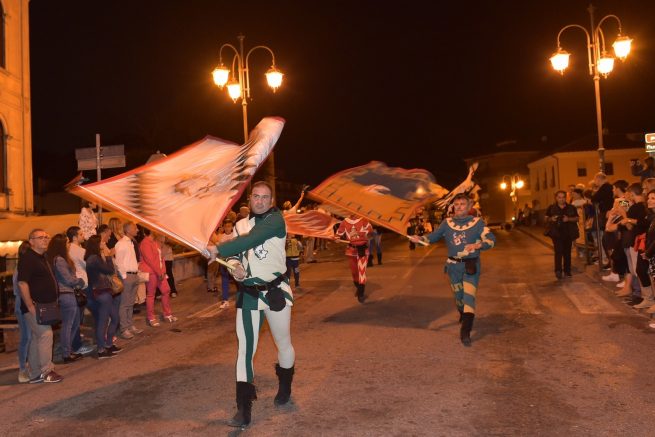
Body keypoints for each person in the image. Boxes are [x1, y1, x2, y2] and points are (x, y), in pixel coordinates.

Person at [216, 181, 295, 428]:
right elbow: (235, 254)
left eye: (265, 197)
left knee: (283, 342)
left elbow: (252, 240)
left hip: (275, 292)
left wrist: (216, 248)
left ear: (271, 201)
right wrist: (235, 267)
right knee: (245, 350)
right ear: (250, 199)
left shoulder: (276, 220)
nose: (260, 201)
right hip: (249, 294)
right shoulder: (240, 224)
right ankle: (243, 408)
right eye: (256, 196)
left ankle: (285, 386)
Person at [410, 193, 496, 346]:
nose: (459, 207)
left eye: (462, 204)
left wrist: (478, 245)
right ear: (453, 207)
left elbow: (491, 240)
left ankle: (465, 331)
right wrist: (419, 239)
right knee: (459, 298)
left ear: (469, 206)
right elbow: (433, 237)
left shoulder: (477, 223)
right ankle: (463, 313)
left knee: (469, 298)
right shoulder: (447, 223)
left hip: (470, 266)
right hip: (453, 267)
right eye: (456, 204)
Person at [17, 229, 63, 383]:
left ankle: (35, 373)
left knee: (38, 337)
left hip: (46, 306)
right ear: (31, 241)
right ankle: (46, 371)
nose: (45, 239)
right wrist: (30, 305)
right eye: (40, 237)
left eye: (46, 237)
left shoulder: (42, 257)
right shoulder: (28, 258)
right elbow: (22, 283)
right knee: (46, 334)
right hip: (35, 307)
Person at [47, 233, 86, 364]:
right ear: (61, 245)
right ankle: (66, 354)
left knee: (73, 324)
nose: (69, 244)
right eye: (67, 242)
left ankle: (68, 350)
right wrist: (80, 281)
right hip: (66, 294)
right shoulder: (59, 260)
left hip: (66, 294)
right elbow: (68, 279)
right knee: (69, 325)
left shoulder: (58, 259)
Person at [85, 235, 121, 359]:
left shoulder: (93, 258)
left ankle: (109, 345)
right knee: (103, 321)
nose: (103, 243)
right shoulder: (93, 258)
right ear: (96, 244)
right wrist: (109, 256)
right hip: (101, 293)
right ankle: (101, 349)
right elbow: (110, 270)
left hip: (104, 292)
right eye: (101, 242)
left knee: (115, 318)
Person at [139, 228, 176, 326]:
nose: (159, 231)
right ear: (152, 231)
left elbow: (161, 258)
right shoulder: (145, 243)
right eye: (156, 230)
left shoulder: (155, 242)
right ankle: (151, 318)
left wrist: (163, 271)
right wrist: (160, 272)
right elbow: (150, 260)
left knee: (166, 290)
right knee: (151, 294)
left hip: (159, 272)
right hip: (152, 272)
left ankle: (167, 314)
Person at [114, 221, 143, 339]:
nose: (137, 230)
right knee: (125, 304)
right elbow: (118, 262)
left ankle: (130, 325)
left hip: (134, 275)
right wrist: (124, 276)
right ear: (128, 230)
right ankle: (124, 328)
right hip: (127, 276)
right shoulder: (121, 244)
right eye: (135, 228)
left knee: (131, 303)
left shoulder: (131, 242)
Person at [336, 213, 372, 303]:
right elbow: (339, 232)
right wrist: (336, 238)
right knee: (354, 273)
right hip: (351, 251)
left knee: (361, 271)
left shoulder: (363, 219)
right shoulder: (345, 221)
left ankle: (361, 292)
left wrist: (360, 234)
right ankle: (358, 287)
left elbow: (369, 229)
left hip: (362, 249)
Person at [545, 191, 579, 279]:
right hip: (556, 233)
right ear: (556, 198)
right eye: (559, 197)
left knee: (567, 252)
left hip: (568, 232)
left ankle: (567, 271)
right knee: (558, 251)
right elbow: (546, 218)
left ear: (565, 198)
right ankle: (558, 271)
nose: (561, 199)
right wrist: (551, 219)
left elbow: (577, 218)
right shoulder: (551, 208)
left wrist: (569, 219)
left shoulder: (571, 207)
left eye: (563, 197)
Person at [13, 241, 32, 383]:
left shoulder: (22, 267)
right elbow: (19, 289)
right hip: (22, 304)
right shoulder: (20, 269)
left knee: (31, 336)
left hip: (24, 304)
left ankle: (29, 366)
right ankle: (23, 369)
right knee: (27, 337)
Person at [217, 219, 236, 308]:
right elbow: (218, 248)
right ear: (223, 227)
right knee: (225, 280)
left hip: (234, 261)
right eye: (226, 226)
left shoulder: (235, 235)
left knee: (238, 280)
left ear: (232, 227)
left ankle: (242, 297)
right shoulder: (220, 237)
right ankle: (225, 300)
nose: (227, 228)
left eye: (229, 226)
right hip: (224, 261)